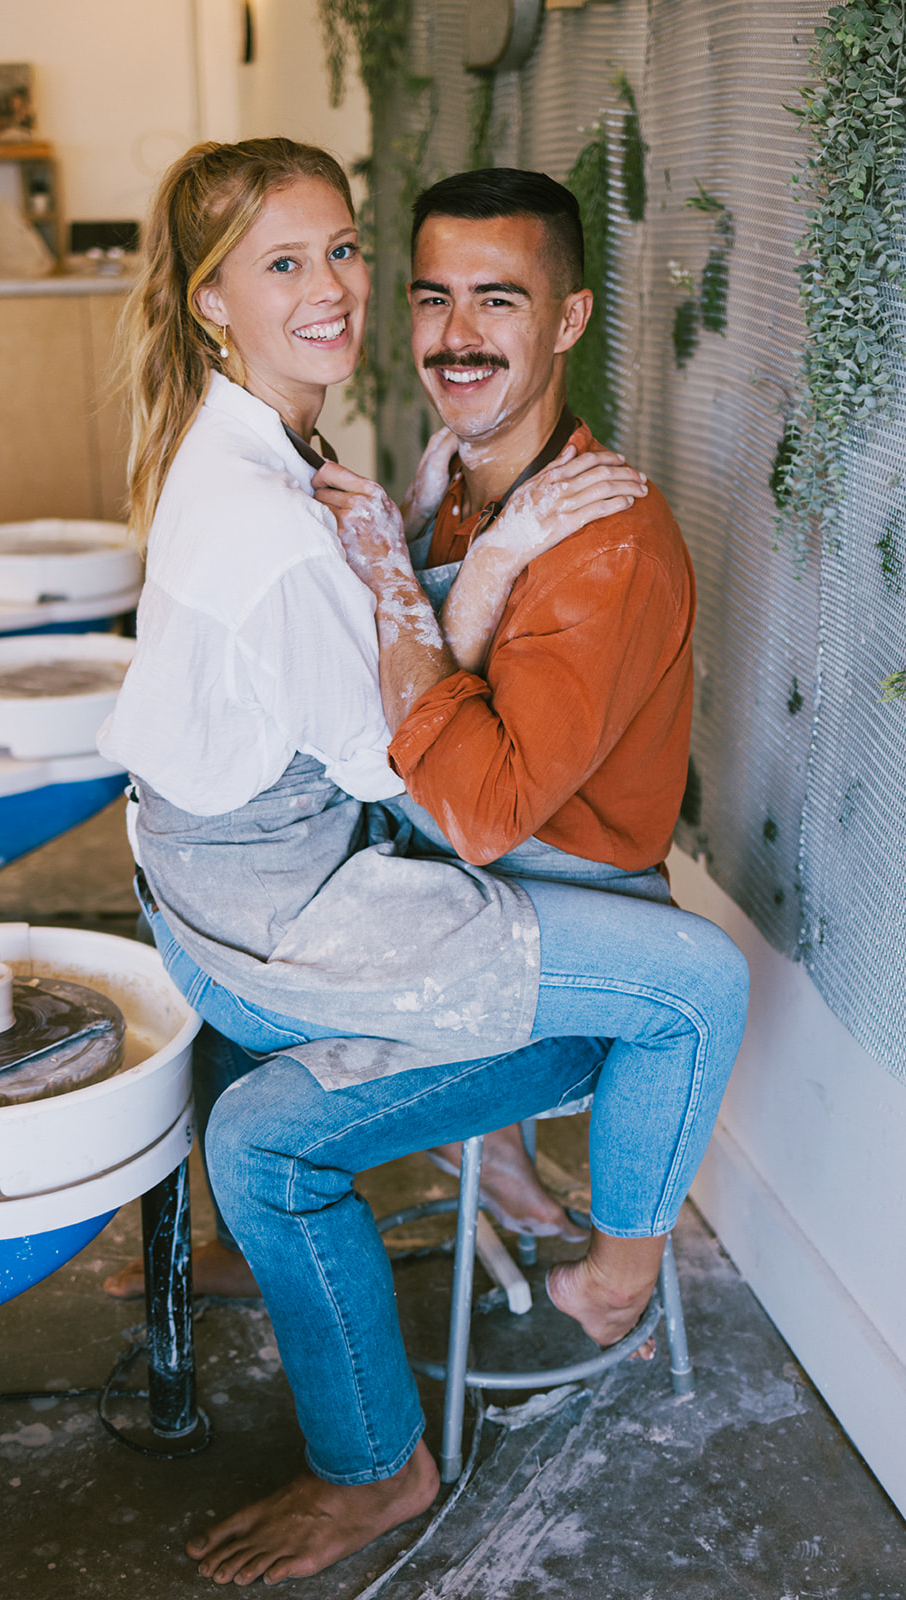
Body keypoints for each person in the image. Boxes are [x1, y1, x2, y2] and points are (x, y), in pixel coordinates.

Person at [98, 139, 749, 1585]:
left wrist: (449, 559)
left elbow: (470, 802)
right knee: (264, 1137)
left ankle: (614, 1275)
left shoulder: (583, 534)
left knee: (698, 981)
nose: (445, 331)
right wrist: (446, 549)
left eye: (498, 301)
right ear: (212, 302)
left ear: (568, 320)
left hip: (502, 888)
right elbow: (395, 733)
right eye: (426, 291)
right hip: (350, 891)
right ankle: (487, 1179)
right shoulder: (420, 481)